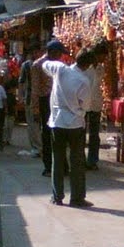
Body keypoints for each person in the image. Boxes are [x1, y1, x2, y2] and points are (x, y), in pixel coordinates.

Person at [43, 47, 96, 207]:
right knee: (77, 161)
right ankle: (77, 197)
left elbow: (45, 65)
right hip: (75, 124)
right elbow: (85, 105)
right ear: (87, 66)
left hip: (57, 122)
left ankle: (56, 196)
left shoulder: (60, 69)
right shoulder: (83, 81)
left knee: (57, 160)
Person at [32, 41, 61, 176]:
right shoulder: (38, 65)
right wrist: (36, 109)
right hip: (45, 101)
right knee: (47, 134)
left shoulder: (59, 64)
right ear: (52, 52)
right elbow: (35, 89)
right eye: (58, 53)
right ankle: (48, 166)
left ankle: (60, 165)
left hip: (58, 101)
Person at [82, 42, 109, 169]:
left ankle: (92, 161)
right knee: (81, 133)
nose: (103, 59)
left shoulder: (101, 69)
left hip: (96, 104)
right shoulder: (86, 68)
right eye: (102, 56)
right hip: (83, 103)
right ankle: (80, 159)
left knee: (94, 134)